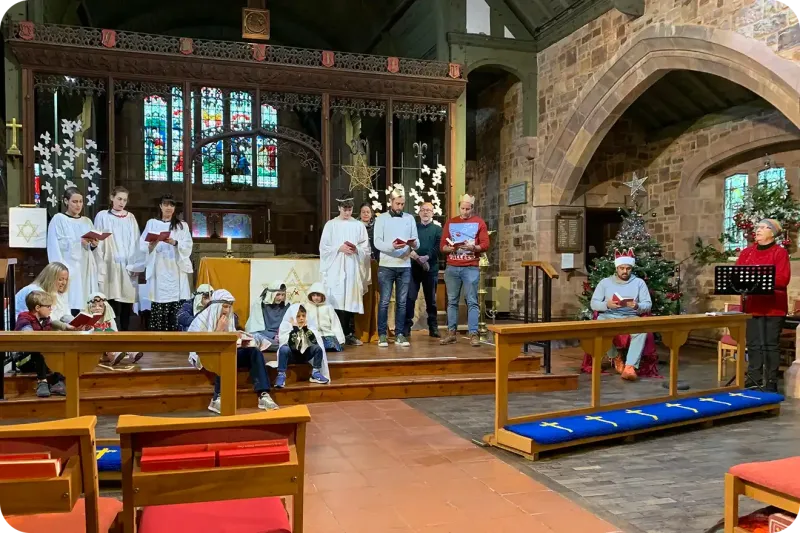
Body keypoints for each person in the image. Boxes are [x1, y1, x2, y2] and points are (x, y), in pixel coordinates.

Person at [188, 289, 278, 414]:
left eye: (229, 307)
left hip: (229, 351)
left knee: (254, 352)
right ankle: (217, 398)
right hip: (207, 356)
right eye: (224, 306)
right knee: (224, 355)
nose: (227, 310)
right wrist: (218, 331)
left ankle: (263, 394)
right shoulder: (201, 319)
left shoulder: (229, 317)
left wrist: (240, 340)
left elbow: (230, 339)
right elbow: (200, 346)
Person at [735, 218, 791, 392]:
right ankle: (754, 378)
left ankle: (771, 381)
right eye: (757, 227)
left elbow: (782, 279)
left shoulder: (779, 252)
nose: (757, 230)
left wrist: (756, 278)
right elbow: (737, 276)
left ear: (772, 233)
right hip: (752, 305)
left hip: (773, 306)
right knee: (753, 344)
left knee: (770, 344)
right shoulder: (746, 253)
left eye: (762, 227)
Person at [590, 248, 652, 381]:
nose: (625, 271)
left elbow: (648, 304)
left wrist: (637, 306)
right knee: (598, 328)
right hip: (608, 315)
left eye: (628, 268)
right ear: (617, 268)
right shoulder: (605, 283)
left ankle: (630, 367)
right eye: (622, 268)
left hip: (630, 316)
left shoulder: (639, 283)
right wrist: (607, 305)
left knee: (641, 331)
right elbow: (594, 304)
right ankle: (615, 356)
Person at [319, 194, 372, 346]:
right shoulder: (331, 225)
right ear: (339, 208)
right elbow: (324, 247)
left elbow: (365, 248)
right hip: (335, 267)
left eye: (349, 209)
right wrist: (339, 248)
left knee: (350, 298)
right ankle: (335, 333)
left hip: (352, 267)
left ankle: (348, 333)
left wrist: (357, 250)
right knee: (336, 298)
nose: (347, 212)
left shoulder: (358, 225)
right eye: (345, 209)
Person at [439, 193, 490, 347]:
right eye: (463, 208)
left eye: (468, 209)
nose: (465, 211)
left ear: (472, 208)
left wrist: (473, 247)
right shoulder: (451, 223)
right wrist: (449, 248)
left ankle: (474, 333)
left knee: (472, 301)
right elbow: (442, 246)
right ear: (459, 207)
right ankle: (451, 333)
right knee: (452, 301)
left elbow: (485, 244)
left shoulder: (479, 222)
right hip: (453, 266)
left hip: (470, 267)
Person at [373, 185, 419, 348]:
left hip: (405, 265)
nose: (400, 207)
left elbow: (417, 243)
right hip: (386, 265)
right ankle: (383, 335)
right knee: (385, 301)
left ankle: (400, 333)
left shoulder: (410, 218)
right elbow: (377, 242)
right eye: (397, 203)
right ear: (391, 202)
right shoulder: (381, 219)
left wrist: (413, 244)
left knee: (402, 301)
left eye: (402, 204)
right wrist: (392, 246)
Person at [94, 186, 145, 331]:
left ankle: (124, 337)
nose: (122, 203)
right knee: (111, 301)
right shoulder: (102, 216)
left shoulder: (130, 218)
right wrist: (101, 264)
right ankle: (112, 336)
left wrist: (136, 265)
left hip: (127, 266)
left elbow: (136, 242)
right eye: (119, 199)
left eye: (124, 200)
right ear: (112, 198)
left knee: (126, 303)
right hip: (109, 265)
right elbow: (98, 240)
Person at [140, 194, 193, 331]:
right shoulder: (152, 223)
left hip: (175, 268)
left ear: (174, 208)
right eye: (166, 204)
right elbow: (142, 245)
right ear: (160, 206)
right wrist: (152, 244)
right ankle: (158, 337)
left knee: (175, 303)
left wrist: (175, 242)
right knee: (159, 300)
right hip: (159, 268)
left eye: (171, 205)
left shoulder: (182, 226)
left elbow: (188, 245)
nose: (168, 208)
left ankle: (175, 337)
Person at [47, 187, 100, 315]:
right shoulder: (58, 219)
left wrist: (94, 244)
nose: (78, 205)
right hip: (69, 266)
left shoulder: (87, 221)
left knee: (85, 298)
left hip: (85, 266)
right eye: (74, 202)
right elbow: (54, 245)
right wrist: (78, 242)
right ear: (66, 201)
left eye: (81, 202)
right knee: (71, 300)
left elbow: (91, 247)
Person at [15, 290, 66, 398]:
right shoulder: (24, 317)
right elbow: (27, 333)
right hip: (25, 360)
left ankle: (58, 381)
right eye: (48, 306)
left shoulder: (45, 320)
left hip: (43, 359)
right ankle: (42, 381)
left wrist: (65, 327)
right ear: (38, 308)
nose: (50, 309)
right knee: (39, 348)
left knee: (60, 350)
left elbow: (53, 323)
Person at [404, 202, 442, 338]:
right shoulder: (413, 228)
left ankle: (433, 327)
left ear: (432, 213)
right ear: (419, 213)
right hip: (413, 267)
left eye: (428, 210)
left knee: (431, 299)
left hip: (431, 268)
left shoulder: (437, 229)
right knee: (410, 298)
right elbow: (408, 244)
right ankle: (406, 326)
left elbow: (439, 246)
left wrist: (427, 257)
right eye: (423, 210)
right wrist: (417, 258)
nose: (425, 212)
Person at [275, 303, 331, 389]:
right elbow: (292, 345)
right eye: (298, 316)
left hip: (305, 356)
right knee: (283, 349)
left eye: (303, 316)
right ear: (292, 317)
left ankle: (315, 372)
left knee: (317, 348)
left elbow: (314, 341)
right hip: (292, 356)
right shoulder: (286, 326)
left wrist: (305, 329)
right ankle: (281, 375)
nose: (301, 318)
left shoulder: (309, 327)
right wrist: (295, 329)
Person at [86, 292, 143, 367]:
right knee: (99, 332)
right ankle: (113, 355)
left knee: (112, 332)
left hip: (110, 341)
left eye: (100, 306)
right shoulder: (88, 321)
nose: (97, 308)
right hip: (97, 346)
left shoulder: (109, 320)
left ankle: (132, 353)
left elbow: (115, 332)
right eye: (93, 306)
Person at [15, 262, 77, 331]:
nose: (64, 283)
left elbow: (64, 315)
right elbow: (47, 319)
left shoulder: (58, 292)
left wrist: (77, 323)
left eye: (66, 279)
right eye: (60, 279)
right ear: (50, 279)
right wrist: (65, 326)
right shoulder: (36, 292)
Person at [245, 282, 288, 352]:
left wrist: (282, 336)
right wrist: (273, 336)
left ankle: (276, 346)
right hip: (264, 335)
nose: (281, 298)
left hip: (280, 337)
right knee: (254, 336)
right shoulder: (259, 304)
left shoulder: (287, 305)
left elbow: (289, 326)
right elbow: (256, 327)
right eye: (278, 295)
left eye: (283, 295)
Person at [306, 282, 346, 352]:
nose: (316, 298)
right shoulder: (307, 307)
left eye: (318, 295)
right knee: (312, 346)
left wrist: (340, 340)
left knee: (332, 345)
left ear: (322, 295)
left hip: (327, 334)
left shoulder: (328, 307)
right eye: (314, 295)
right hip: (314, 335)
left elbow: (335, 324)